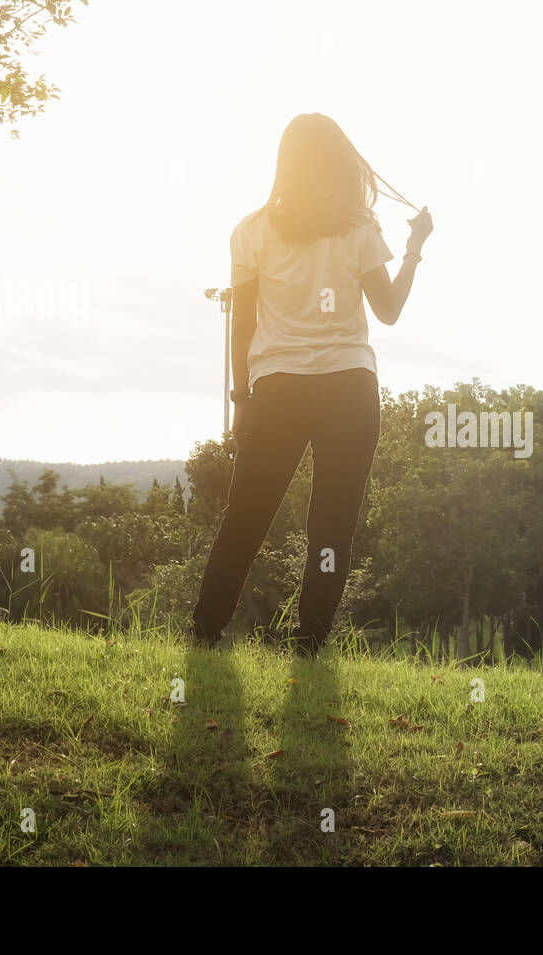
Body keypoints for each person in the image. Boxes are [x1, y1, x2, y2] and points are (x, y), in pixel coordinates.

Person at [192, 112, 432, 654]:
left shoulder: (250, 232)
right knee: (332, 526)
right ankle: (309, 646)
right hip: (350, 389)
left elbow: (244, 323)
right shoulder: (359, 229)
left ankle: (205, 633)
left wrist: (241, 399)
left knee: (246, 516)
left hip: (276, 389)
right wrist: (415, 247)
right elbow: (389, 311)